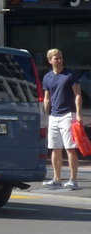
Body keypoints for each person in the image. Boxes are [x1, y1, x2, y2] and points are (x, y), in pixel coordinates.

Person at [41, 48, 82, 190]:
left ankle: (73, 180)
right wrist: (44, 115)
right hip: (53, 116)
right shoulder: (47, 77)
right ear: (50, 60)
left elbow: (77, 95)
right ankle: (56, 179)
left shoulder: (70, 75)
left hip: (68, 115)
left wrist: (78, 114)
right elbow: (47, 98)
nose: (59, 60)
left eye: (60, 58)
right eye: (56, 58)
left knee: (70, 148)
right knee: (55, 148)